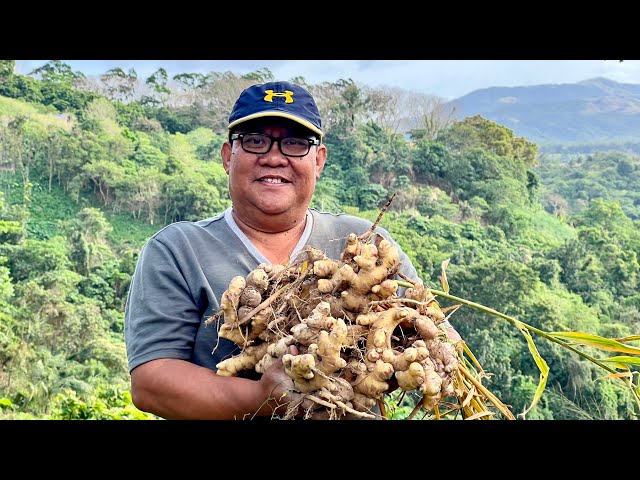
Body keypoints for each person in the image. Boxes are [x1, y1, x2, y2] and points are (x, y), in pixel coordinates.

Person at [124, 80, 459, 420]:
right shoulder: (178, 250)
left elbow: (436, 328)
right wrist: (261, 396)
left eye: (295, 144)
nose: (273, 157)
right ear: (228, 156)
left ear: (319, 161)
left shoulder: (366, 242)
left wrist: (436, 348)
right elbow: (151, 383)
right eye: (255, 141)